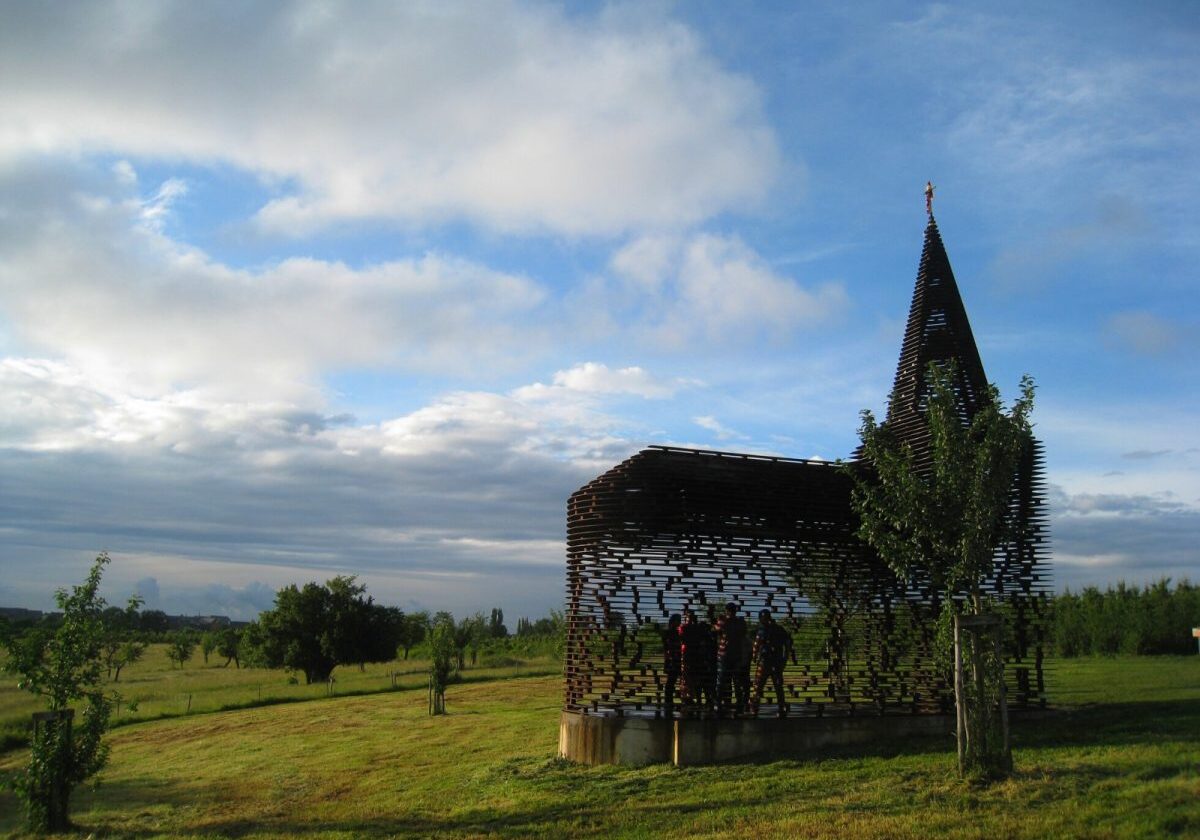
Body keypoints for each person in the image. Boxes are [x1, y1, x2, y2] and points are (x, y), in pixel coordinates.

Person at [750, 609, 794, 718]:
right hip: (775, 661)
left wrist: (754, 656)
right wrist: (785, 657)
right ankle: (780, 706)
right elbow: (787, 644)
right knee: (777, 686)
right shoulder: (779, 629)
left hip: (766, 661)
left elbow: (756, 644)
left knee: (759, 685)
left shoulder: (763, 630)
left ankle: (755, 707)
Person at [715, 602, 750, 717]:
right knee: (737, 680)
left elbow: (716, 630)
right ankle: (740, 702)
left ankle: (719, 703)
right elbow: (743, 634)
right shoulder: (741, 622)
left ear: (727, 610)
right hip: (736, 654)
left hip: (725, 654)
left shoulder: (724, 621)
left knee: (722, 680)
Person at [679, 609, 716, 715]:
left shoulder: (695, 629)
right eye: (689, 618)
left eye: (692, 618)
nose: (691, 620)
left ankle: (694, 700)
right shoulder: (686, 628)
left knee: (695, 680)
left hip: (696, 658)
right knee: (687, 679)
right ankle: (688, 700)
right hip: (688, 657)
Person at [661, 613, 682, 718]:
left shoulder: (677, 632)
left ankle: (670, 702)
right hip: (673, 660)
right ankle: (669, 701)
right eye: (678, 620)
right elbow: (666, 648)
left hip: (677, 659)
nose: (679, 622)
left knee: (674, 681)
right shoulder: (670, 633)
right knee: (671, 681)